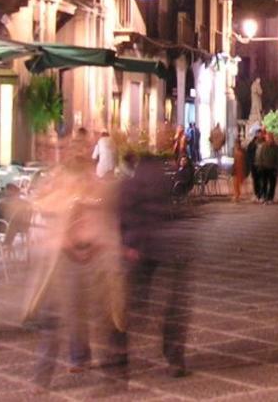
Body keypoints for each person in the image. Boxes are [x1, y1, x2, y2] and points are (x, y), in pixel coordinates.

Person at [24, 148, 125, 387]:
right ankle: (45, 375)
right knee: (58, 317)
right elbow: (41, 205)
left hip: (93, 256)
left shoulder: (95, 187)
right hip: (63, 259)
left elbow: (106, 209)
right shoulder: (59, 186)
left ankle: (102, 365)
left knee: (103, 313)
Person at [109, 154, 190, 379]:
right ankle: (175, 359)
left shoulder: (128, 185)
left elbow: (120, 217)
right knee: (173, 310)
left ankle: (118, 359)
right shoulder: (166, 183)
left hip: (137, 251)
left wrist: (125, 245)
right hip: (165, 250)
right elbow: (178, 214)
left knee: (123, 307)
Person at [245, 131, 261, 201]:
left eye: (260, 134)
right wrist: (250, 163)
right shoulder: (251, 144)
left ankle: (261, 194)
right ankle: (257, 194)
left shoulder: (263, 143)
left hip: (261, 165)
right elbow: (248, 155)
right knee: (255, 180)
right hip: (254, 165)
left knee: (261, 180)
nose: (259, 135)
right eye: (258, 134)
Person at [231, 135, 248, 202]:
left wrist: (245, 169)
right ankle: (236, 195)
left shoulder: (242, 151)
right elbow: (234, 160)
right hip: (236, 168)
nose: (236, 144)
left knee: (239, 182)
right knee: (235, 183)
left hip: (240, 168)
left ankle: (237, 195)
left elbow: (245, 160)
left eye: (237, 143)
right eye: (235, 143)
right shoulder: (235, 150)